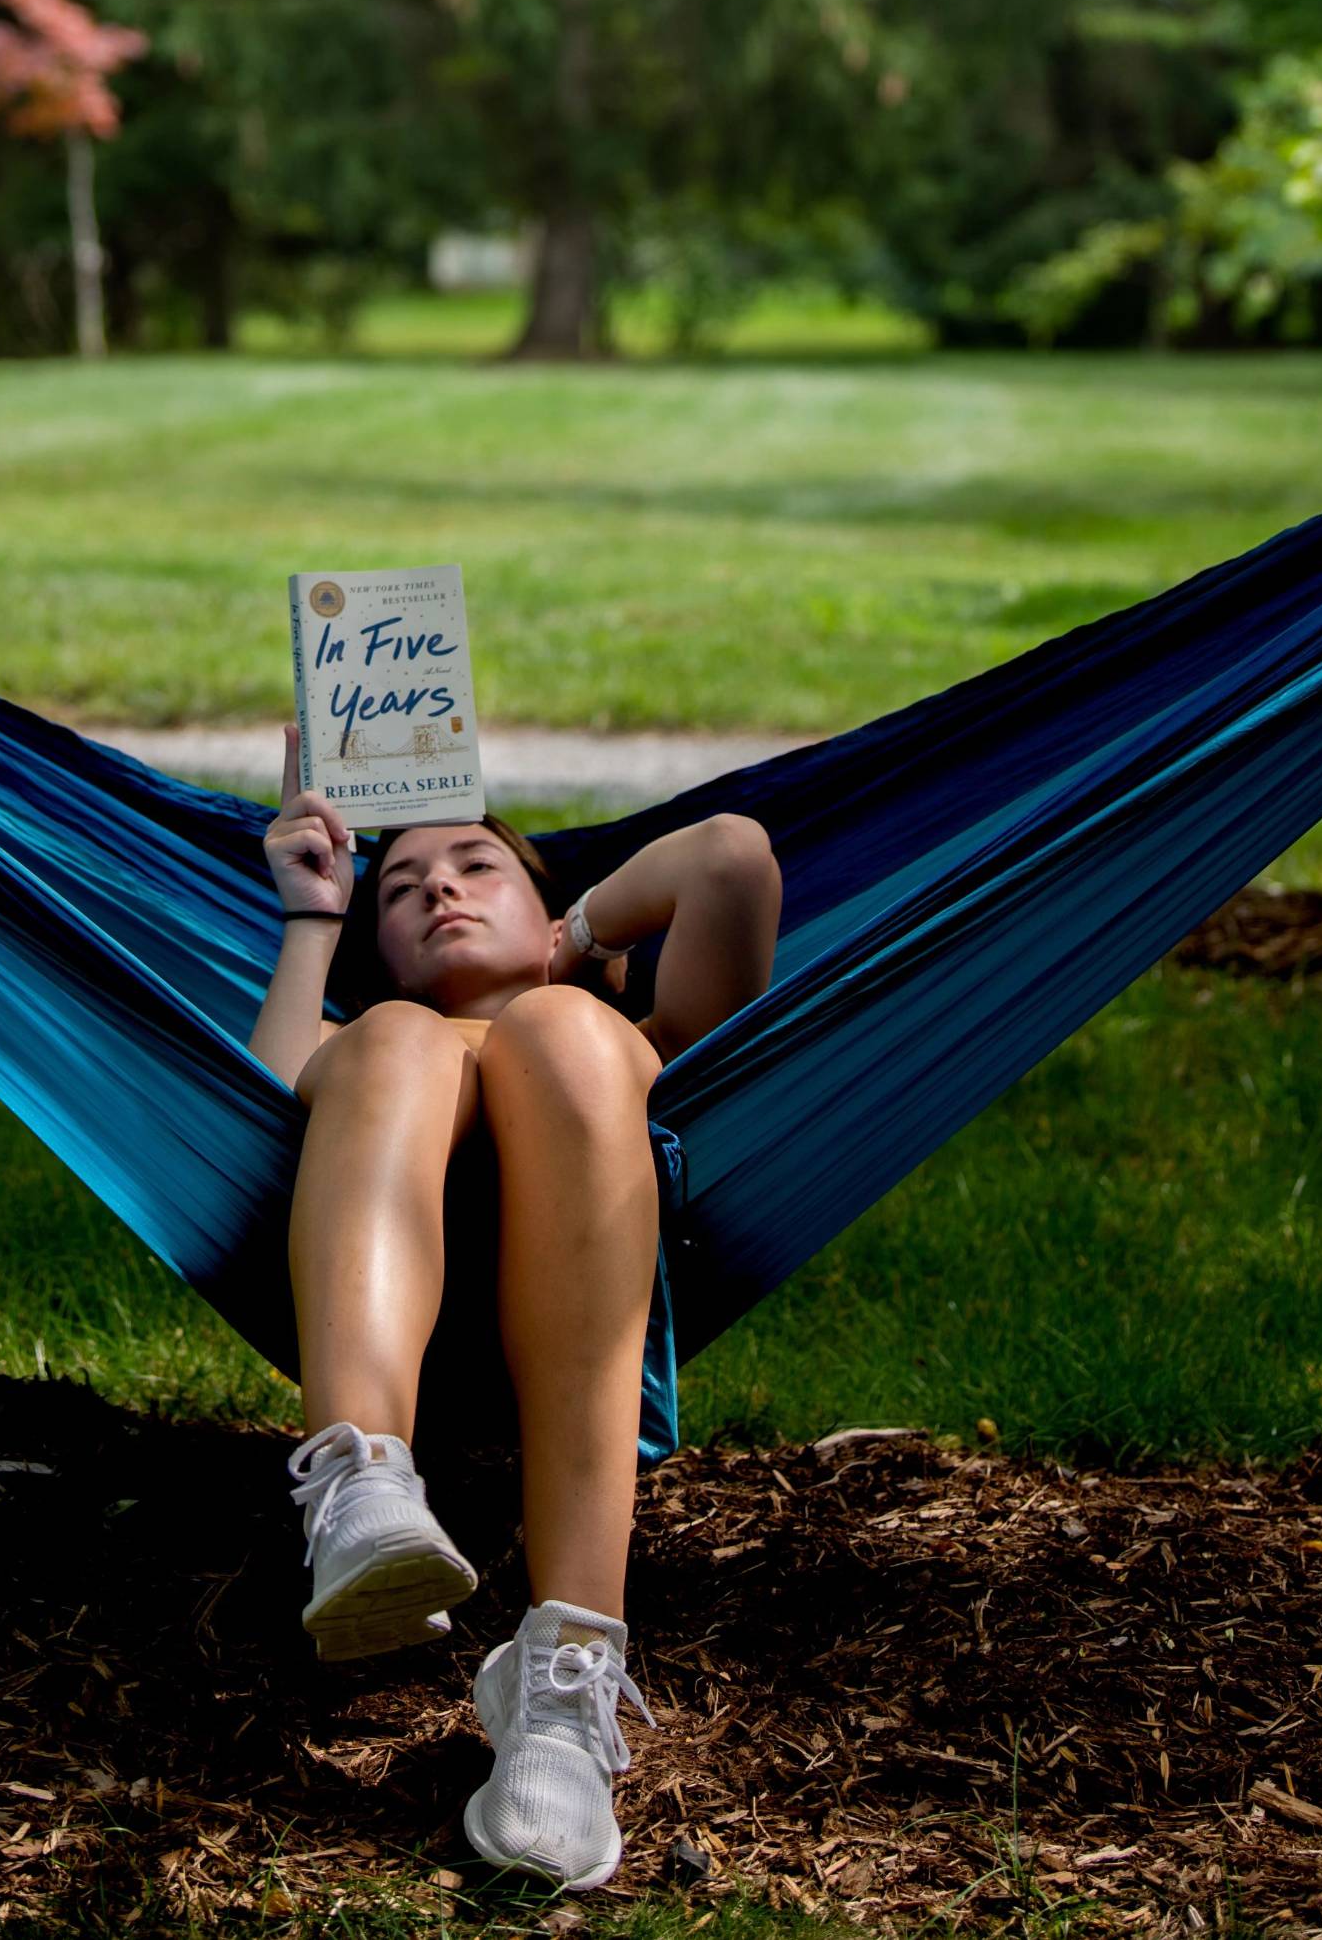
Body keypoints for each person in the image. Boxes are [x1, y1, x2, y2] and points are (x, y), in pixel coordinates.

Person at [248, 726, 780, 1890]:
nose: (436, 880)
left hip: (588, 1221)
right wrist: (311, 911)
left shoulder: (636, 1034)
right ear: (376, 941)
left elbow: (731, 859)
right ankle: (357, 1481)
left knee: (558, 1032)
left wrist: (570, 951)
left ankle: (564, 1685)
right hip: (383, 1165)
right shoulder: (369, 1032)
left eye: (475, 863)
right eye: (401, 884)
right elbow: (268, 1082)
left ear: (547, 913)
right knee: (396, 1044)